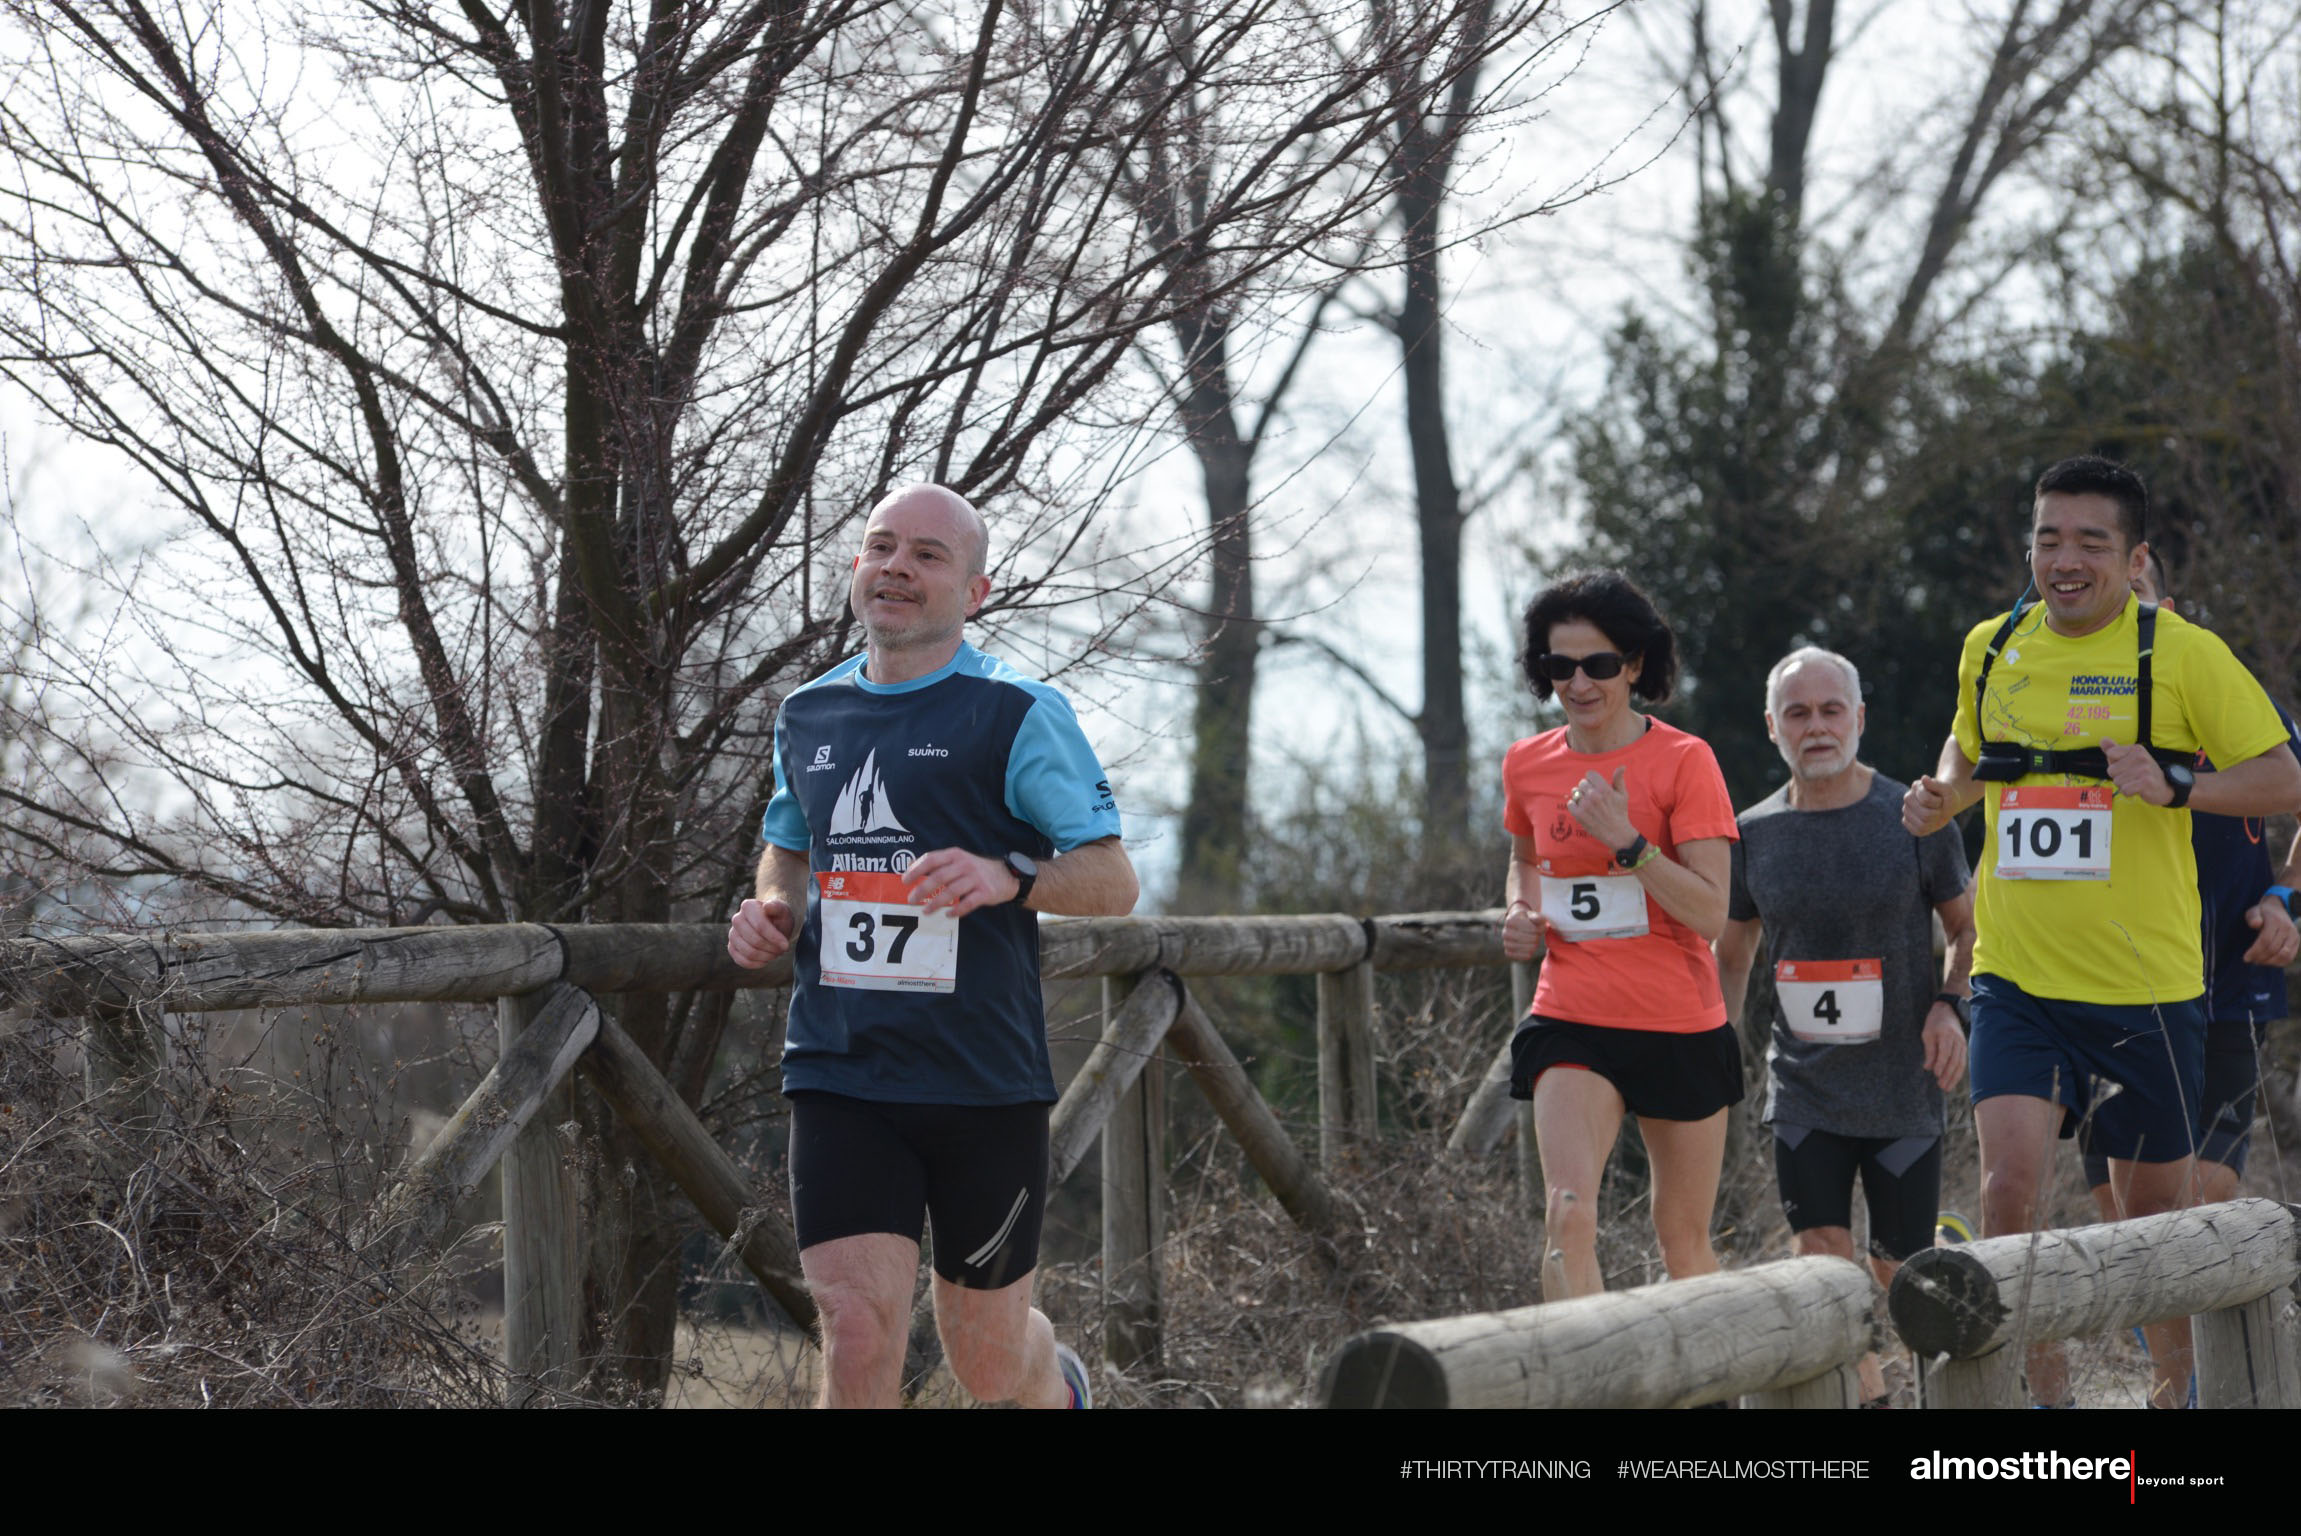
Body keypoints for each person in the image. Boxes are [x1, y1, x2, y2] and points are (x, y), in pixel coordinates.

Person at [726, 482, 1139, 1409]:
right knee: (855, 1327)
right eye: (881, 547)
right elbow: (787, 848)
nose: (897, 568)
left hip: (979, 1081)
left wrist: (1009, 875)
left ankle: (1061, 1386)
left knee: (986, 1365)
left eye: (927, 554)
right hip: (841, 1069)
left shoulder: (1015, 711)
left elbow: (1113, 881)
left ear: (975, 592)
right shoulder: (809, 713)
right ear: (856, 567)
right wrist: (774, 909)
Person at [1901, 455, 2301, 1407]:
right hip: (2015, 976)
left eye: (2090, 541)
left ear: (2134, 558)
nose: (2064, 560)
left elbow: (2283, 777)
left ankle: (2171, 1397)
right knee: (2006, 1188)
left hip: (2143, 986)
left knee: (2147, 1220)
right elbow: (1969, 745)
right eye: (2047, 540)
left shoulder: (2181, 654)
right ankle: (2041, 1402)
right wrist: (1944, 794)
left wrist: (2175, 784)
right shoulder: (1992, 644)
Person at [1716, 646, 1975, 1406]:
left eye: (1831, 710)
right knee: (1824, 1256)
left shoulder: (1915, 817)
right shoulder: (1751, 834)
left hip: (1901, 1082)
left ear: (1859, 718)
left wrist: (1951, 1004)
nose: (1817, 727)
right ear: (1773, 727)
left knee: (1899, 1268)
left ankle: (1945, 1341)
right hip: (1804, 1086)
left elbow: (1967, 930)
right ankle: (1872, 1400)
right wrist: (1711, 1045)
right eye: (1797, 713)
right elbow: (1732, 954)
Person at [1499, 570, 1741, 1305]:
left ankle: (1716, 1368)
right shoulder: (1525, 763)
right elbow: (1523, 859)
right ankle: (1593, 1366)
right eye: (1559, 665)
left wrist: (1628, 844)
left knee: (1682, 1242)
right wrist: (1519, 910)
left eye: (1598, 664)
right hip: (1570, 1015)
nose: (1578, 683)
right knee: (1567, 1215)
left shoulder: (1685, 760)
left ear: (1634, 665)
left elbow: (1710, 913)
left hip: (1678, 1022)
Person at [2080, 550, 2300, 1221]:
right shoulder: (2069, 714)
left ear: (2166, 612)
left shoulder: (2232, 703)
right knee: (2124, 1218)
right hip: (2105, 984)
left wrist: (2285, 899)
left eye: (2135, 593)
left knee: (2198, 1203)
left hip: (2224, 982)